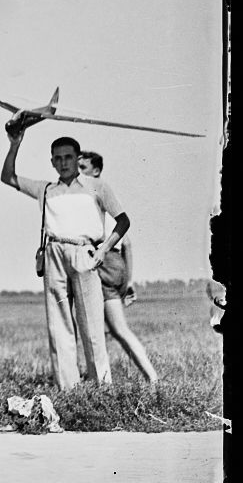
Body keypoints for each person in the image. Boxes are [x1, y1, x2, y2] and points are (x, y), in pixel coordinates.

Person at [1, 130, 129, 389]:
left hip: (84, 253)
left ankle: (101, 389)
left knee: (92, 325)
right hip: (53, 255)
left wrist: (103, 250)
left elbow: (123, 221)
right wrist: (15, 143)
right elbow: (8, 177)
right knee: (58, 326)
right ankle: (68, 390)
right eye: (57, 158)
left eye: (68, 157)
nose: (63, 163)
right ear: (52, 162)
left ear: (77, 158)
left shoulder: (96, 187)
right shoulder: (45, 189)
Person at [77, 152, 158, 383]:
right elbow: (128, 244)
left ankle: (102, 381)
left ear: (96, 172)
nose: (78, 172)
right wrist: (128, 279)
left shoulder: (95, 197)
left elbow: (122, 242)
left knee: (108, 327)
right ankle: (151, 377)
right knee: (115, 328)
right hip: (115, 265)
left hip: (104, 262)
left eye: (82, 167)